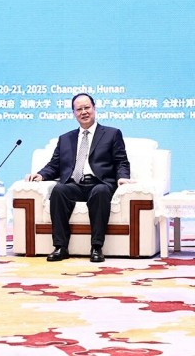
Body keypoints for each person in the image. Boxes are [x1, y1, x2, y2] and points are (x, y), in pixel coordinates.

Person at [25, 93, 131, 263]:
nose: (84, 112)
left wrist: (123, 177)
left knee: (100, 192)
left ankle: (96, 247)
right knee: (59, 190)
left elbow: (121, 161)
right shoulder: (65, 138)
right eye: (79, 109)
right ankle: (60, 247)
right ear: (74, 113)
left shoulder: (112, 134)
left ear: (94, 108)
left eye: (87, 107)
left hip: (100, 183)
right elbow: (55, 164)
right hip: (75, 184)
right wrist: (41, 174)